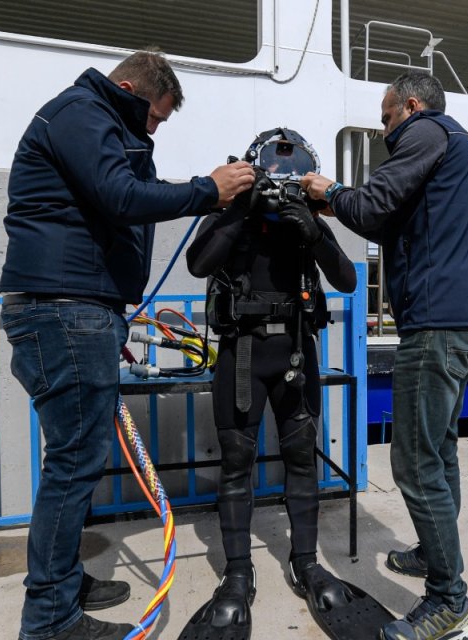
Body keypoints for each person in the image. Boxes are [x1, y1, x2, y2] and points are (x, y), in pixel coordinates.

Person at [0, 48, 254, 640]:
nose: (153, 128)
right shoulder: (81, 114)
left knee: (71, 461)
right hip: (65, 309)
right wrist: (205, 190)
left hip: (77, 310)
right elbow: (120, 196)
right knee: (73, 465)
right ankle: (50, 622)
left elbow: (119, 195)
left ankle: (61, 581)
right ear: (133, 87)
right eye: (156, 117)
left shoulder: (94, 119)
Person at [301, 71, 468, 640]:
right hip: (466, 322)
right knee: (442, 449)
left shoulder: (427, 131)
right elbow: (387, 218)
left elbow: (375, 200)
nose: (387, 130)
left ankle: (449, 602)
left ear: (410, 106)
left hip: (438, 325)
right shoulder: (452, 148)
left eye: (387, 119)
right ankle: (433, 556)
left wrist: (327, 192)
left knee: (414, 462)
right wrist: (340, 206)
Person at [181, 129, 384, 639]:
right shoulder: (233, 211)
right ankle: (238, 571)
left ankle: (305, 562)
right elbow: (198, 263)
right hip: (242, 355)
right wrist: (242, 209)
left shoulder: (306, 220)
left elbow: (347, 280)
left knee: (300, 458)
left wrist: (312, 232)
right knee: (235, 465)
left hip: (295, 354)